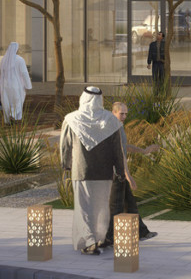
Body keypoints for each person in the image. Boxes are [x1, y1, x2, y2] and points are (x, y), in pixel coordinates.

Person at [59, 86, 124, 254]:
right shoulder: (110, 120)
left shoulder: (72, 119)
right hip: (104, 171)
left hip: (81, 171)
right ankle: (100, 239)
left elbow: (65, 146)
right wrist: (120, 170)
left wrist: (65, 164)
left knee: (84, 208)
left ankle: (88, 242)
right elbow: (118, 150)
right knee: (102, 207)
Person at [105, 100, 153, 244]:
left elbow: (125, 147)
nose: (124, 116)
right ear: (114, 113)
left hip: (120, 173)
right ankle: (110, 237)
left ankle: (141, 232)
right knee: (116, 207)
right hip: (116, 173)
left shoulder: (119, 127)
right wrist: (128, 175)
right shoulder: (113, 128)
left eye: (126, 113)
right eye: (122, 113)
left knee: (130, 203)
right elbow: (119, 153)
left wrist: (143, 151)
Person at [0, 41, 30, 122]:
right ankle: (14, 115)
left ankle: (7, 119)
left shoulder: (3, 59)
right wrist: (28, 85)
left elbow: (2, 73)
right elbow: (24, 73)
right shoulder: (20, 59)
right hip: (16, 84)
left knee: (6, 102)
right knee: (18, 100)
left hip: (5, 85)